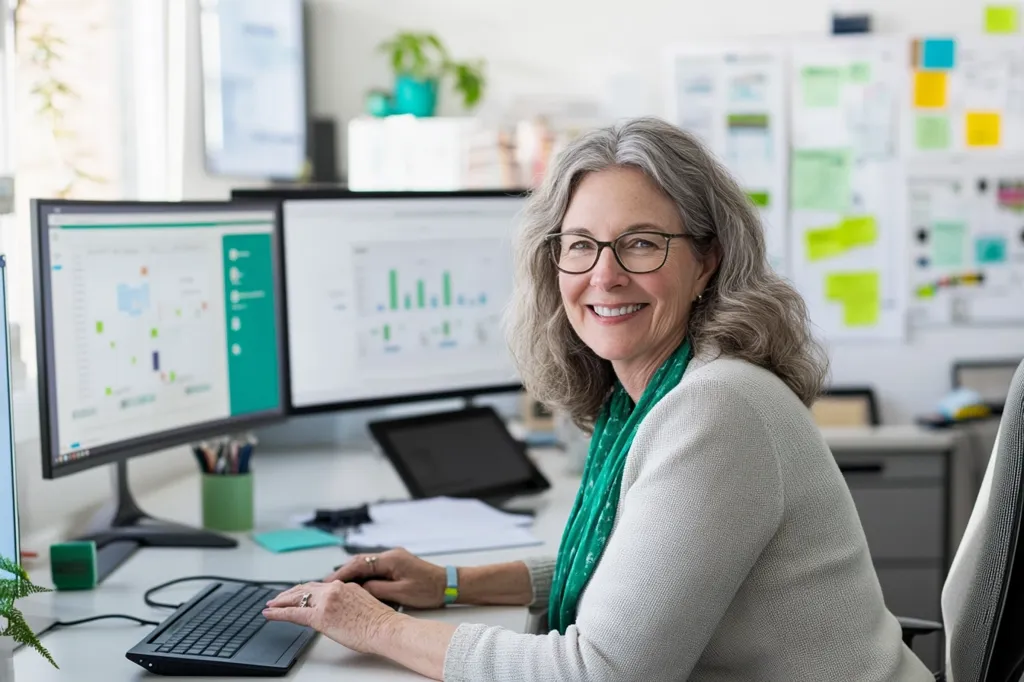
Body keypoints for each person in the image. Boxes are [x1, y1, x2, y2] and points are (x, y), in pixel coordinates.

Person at [264, 117, 934, 681]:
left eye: (640, 243)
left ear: (706, 260)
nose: (604, 276)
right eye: (580, 246)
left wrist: (372, 626)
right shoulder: (651, 395)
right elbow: (634, 569)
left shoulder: (718, 408)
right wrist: (448, 583)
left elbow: (600, 670)